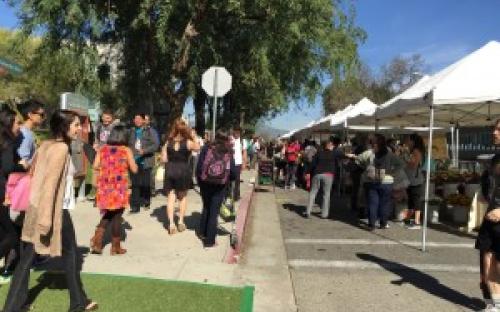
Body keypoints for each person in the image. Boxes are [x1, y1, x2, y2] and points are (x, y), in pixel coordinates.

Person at [2, 109, 98, 312]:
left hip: (35, 208)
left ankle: (13, 306)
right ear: (64, 127)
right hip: (53, 210)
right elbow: (49, 186)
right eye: (75, 125)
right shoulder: (61, 149)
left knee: (27, 258)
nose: (79, 129)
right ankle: (77, 303)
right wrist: (46, 220)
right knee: (70, 255)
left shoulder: (45, 145)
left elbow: (33, 174)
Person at [90, 125, 138, 255]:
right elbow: (134, 169)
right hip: (120, 187)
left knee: (108, 213)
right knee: (117, 215)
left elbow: (95, 166)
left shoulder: (102, 149)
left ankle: (97, 241)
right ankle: (115, 247)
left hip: (105, 186)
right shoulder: (125, 150)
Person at [476, 119, 500, 311]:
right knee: (486, 260)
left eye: (499, 129)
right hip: (489, 220)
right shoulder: (495, 158)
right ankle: (493, 304)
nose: (494, 132)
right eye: (494, 128)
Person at [356, 134, 404, 230]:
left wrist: (365, 167)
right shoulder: (389, 153)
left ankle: (371, 224)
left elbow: (357, 160)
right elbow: (401, 164)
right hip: (387, 181)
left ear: (372, 143)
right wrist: (391, 171)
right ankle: (383, 223)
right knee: (385, 203)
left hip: (371, 180)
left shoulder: (369, 153)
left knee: (372, 203)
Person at [196, 131, 235, 248]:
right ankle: (209, 241)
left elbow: (199, 167)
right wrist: (228, 180)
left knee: (206, 206)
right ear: (226, 139)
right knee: (214, 212)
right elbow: (233, 172)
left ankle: (202, 232)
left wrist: (200, 181)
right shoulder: (228, 151)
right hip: (220, 185)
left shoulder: (207, 148)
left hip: (205, 183)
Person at [161, 118, 200, 235]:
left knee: (171, 197)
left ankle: (171, 223)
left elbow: (164, 159)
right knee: (182, 197)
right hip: (183, 171)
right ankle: (181, 222)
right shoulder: (188, 142)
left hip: (170, 170)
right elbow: (198, 148)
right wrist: (194, 137)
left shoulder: (168, 142)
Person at [0, 107, 25, 285]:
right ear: (9, 122)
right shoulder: (7, 141)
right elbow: (9, 168)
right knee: (12, 235)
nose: (19, 127)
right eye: (17, 123)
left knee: (3, 233)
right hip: (2, 193)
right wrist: (23, 165)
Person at [128, 113, 159, 213]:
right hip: (134, 161)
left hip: (146, 162)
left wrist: (145, 151)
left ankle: (146, 201)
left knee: (145, 183)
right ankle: (135, 206)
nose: (136, 120)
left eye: (139, 118)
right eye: (135, 118)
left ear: (143, 120)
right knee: (135, 184)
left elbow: (156, 145)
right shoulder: (131, 131)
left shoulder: (151, 131)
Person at [404, 134, 425, 229]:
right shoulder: (413, 151)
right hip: (412, 179)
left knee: (416, 200)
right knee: (411, 200)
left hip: (415, 180)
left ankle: (416, 222)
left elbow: (413, 165)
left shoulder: (416, 151)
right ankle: (409, 219)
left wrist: (405, 160)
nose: (407, 142)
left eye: (408, 140)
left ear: (413, 141)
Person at [349, 135, 368, 219]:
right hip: (359, 172)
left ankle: (354, 205)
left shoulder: (358, 148)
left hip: (355, 171)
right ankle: (357, 207)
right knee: (358, 190)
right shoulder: (362, 149)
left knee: (355, 189)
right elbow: (361, 161)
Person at [230, 127, 247, 200]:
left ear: (240, 133)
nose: (236, 133)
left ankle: (236, 196)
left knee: (237, 180)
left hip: (238, 163)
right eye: (235, 131)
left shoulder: (243, 141)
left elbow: (244, 152)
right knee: (229, 180)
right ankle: (228, 195)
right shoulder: (230, 138)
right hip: (230, 162)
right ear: (233, 131)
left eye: (238, 132)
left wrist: (244, 163)